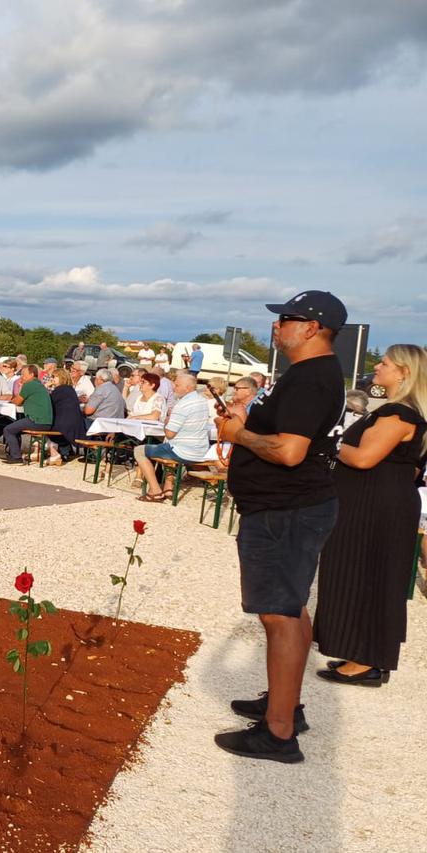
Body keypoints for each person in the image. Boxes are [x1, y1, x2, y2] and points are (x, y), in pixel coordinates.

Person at [214, 290, 348, 764]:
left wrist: (239, 434)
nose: (277, 326)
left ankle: (278, 732)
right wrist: (248, 422)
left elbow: (290, 452)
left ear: (313, 327)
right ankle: (283, 703)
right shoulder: (308, 375)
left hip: (286, 512)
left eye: (287, 319)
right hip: (286, 509)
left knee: (280, 614)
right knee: (290, 607)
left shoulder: (312, 378)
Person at [313, 345, 427, 686]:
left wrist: (331, 445)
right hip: (374, 504)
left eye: (385, 363)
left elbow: (364, 458)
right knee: (361, 574)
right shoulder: (393, 412)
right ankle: (358, 652)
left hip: (375, 509)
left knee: (367, 576)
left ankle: (366, 659)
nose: (378, 367)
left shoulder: (399, 414)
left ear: (404, 372)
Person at [134, 372, 210, 500]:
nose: (174, 387)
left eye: (177, 385)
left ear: (187, 388)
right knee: (166, 448)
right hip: (201, 450)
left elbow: (169, 434)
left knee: (139, 450)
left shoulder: (182, 405)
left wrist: (166, 422)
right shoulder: (202, 401)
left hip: (183, 451)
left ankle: (155, 490)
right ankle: (168, 487)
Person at [1, 364, 53, 464]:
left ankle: (16, 457)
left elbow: (17, 401)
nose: (21, 377)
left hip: (37, 420)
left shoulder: (29, 384)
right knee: (15, 429)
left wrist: (19, 388)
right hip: (45, 421)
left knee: (8, 430)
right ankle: (13, 454)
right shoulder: (39, 384)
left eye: (24, 374)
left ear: (31, 374)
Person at [48, 369, 86, 465]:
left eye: (54, 377)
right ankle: (65, 451)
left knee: (45, 427)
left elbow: (48, 404)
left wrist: (45, 387)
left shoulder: (60, 390)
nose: (52, 379)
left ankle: (61, 452)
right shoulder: (70, 389)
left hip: (65, 424)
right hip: (75, 423)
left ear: (61, 378)